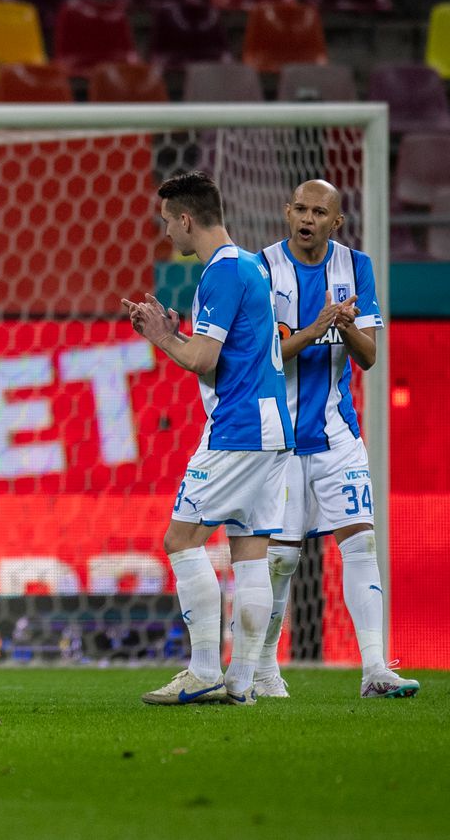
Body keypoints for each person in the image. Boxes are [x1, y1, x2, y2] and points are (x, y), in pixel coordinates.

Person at [122, 171, 293, 706]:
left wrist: (162, 337)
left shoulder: (219, 273)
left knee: (181, 540)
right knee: (248, 552)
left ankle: (202, 671)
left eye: (167, 221)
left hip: (238, 430)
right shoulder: (252, 266)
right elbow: (232, 353)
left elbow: (203, 358)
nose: (166, 232)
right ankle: (241, 681)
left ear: (187, 219)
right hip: (273, 429)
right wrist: (178, 330)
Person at [255, 179, 419, 699]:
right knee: (279, 560)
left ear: (336, 221)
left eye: (319, 212)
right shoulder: (262, 269)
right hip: (278, 441)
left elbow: (369, 357)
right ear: (287, 213)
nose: (307, 218)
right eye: (300, 209)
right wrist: (319, 322)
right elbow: (271, 356)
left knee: (362, 541)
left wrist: (345, 325)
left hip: (336, 435)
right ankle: (262, 669)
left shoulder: (357, 267)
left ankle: (375, 669)